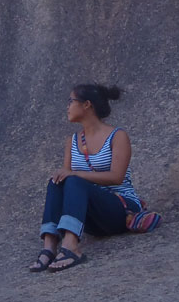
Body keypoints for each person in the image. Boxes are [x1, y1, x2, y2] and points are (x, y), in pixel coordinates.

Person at [29, 84, 143, 272]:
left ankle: (71, 247)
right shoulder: (72, 141)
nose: (67, 107)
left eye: (70, 101)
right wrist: (69, 175)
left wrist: (75, 174)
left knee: (73, 179)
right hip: (90, 219)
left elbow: (117, 177)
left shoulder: (117, 136)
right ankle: (49, 246)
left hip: (120, 211)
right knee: (57, 181)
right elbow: (66, 181)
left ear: (87, 105)